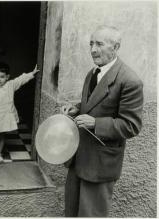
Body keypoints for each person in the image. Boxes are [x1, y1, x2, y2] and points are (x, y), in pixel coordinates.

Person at [61, 25, 143, 217]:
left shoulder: (130, 81)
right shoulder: (92, 73)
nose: (93, 49)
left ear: (115, 47)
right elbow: (94, 103)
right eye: (91, 44)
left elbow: (131, 125)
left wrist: (95, 124)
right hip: (79, 157)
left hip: (100, 163)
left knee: (92, 214)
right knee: (71, 212)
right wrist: (77, 108)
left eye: (99, 44)